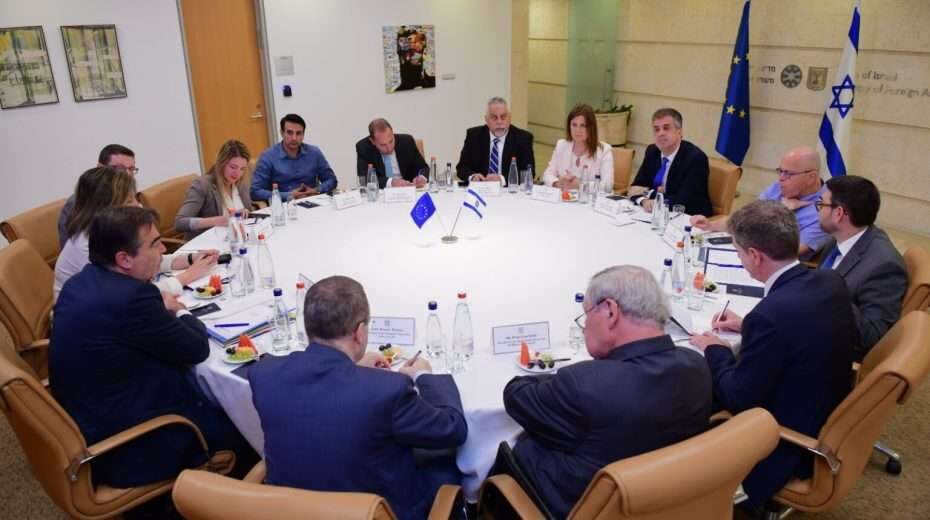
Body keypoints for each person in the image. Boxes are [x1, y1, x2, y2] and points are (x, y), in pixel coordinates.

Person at [50, 206, 256, 487]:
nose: (162, 250)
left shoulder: (80, 282)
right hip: (135, 443)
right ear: (124, 259)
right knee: (251, 425)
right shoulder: (131, 298)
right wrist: (181, 310)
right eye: (155, 244)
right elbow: (196, 348)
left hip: (89, 417)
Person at [502, 265, 712, 518]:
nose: (584, 326)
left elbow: (515, 395)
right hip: (670, 505)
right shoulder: (697, 364)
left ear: (610, 311)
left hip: (574, 506)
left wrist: (566, 374)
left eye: (586, 314)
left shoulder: (585, 385)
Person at [250, 276, 467, 520]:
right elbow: (452, 429)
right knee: (448, 465)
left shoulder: (264, 375)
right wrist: (424, 375)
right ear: (360, 333)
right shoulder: (388, 390)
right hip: (378, 512)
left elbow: (321, 402)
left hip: (292, 511)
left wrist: (352, 368)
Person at [689, 200, 856, 513]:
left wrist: (715, 349)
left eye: (738, 252)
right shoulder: (829, 281)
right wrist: (748, 326)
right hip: (825, 406)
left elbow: (737, 397)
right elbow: (801, 329)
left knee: (691, 392)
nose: (739, 259)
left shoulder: (771, 316)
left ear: (754, 255)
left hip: (786, 442)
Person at [55, 167, 217, 300]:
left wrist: (190, 259)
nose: (138, 206)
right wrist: (189, 275)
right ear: (108, 207)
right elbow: (131, 296)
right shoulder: (89, 246)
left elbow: (145, 261)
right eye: (129, 201)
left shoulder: (107, 231)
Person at [816, 175, 907, 359]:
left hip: (827, 352)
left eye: (821, 205)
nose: (817, 211)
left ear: (839, 213)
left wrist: (832, 289)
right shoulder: (839, 239)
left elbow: (870, 337)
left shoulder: (884, 266)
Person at [691, 146, 829, 259]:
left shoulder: (826, 209)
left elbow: (786, 253)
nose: (781, 178)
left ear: (811, 177)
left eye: (788, 174)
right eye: (780, 171)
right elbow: (746, 218)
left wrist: (781, 211)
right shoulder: (779, 188)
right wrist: (710, 225)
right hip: (748, 252)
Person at [628, 108, 712, 216]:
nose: (660, 133)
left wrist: (648, 193)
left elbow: (681, 201)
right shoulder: (652, 151)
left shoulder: (695, 158)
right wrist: (644, 201)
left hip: (689, 218)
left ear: (679, 132)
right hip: (656, 213)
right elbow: (635, 188)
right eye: (656, 129)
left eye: (666, 128)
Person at [57, 143, 138, 248]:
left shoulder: (126, 194)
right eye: (119, 168)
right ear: (100, 168)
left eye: (131, 169)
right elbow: (79, 247)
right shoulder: (77, 203)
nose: (127, 175)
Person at [175, 139, 253, 240]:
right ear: (222, 163)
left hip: (238, 238)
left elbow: (247, 211)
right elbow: (179, 222)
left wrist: (245, 212)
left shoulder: (241, 182)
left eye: (242, 169)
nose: (237, 173)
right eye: (233, 167)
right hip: (209, 242)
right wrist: (217, 221)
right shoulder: (202, 185)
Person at [251, 113, 337, 202]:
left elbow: (331, 180)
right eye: (290, 133)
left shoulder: (314, 153)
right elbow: (255, 191)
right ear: (282, 133)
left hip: (312, 202)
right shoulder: (268, 157)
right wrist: (288, 195)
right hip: (284, 204)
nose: (294, 138)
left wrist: (316, 190)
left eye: (298, 133)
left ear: (303, 135)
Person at [456, 97, 535, 186]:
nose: (499, 121)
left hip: (508, 190)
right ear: (486, 120)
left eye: (503, 117)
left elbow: (529, 173)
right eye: (494, 118)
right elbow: (461, 167)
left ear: (509, 118)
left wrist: (502, 179)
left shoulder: (523, 138)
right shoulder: (474, 136)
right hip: (481, 189)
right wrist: (473, 176)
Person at [542, 103, 614, 192]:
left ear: (591, 128)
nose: (578, 130)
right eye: (574, 125)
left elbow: (607, 186)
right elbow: (547, 175)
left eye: (583, 125)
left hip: (589, 199)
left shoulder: (604, 150)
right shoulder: (561, 145)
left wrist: (579, 185)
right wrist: (558, 183)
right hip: (564, 197)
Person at [355, 118, 428, 189]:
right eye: (383, 145)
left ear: (393, 133)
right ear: (372, 141)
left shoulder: (407, 141)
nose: (389, 148)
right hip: (382, 193)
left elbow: (424, 168)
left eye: (391, 141)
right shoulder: (363, 147)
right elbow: (364, 178)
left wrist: (422, 177)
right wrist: (390, 182)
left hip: (409, 190)